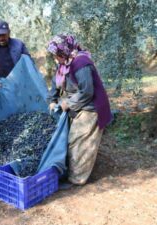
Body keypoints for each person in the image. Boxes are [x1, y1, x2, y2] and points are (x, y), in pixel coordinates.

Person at [47, 34, 112, 186]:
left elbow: (87, 91)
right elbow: (55, 84)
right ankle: (71, 171)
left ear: (64, 51)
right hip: (80, 104)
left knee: (78, 140)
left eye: (57, 55)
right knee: (69, 139)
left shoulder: (81, 63)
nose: (56, 59)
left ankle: (77, 178)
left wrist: (68, 103)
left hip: (92, 107)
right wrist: (52, 100)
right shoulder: (63, 64)